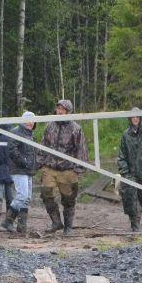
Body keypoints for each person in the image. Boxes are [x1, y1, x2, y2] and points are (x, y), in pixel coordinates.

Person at [39, 98, 88, 235]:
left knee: (68, 199)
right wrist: (39, 162)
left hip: (68, 169)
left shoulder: (76, 128)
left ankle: (68, 227)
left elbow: (81, 148)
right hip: (50, 167)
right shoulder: (49, 126)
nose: (60, 112)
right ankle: (56, 222)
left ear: (68, 111)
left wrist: (79, 168)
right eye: (58, 109)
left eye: (63, 109)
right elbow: (43, 145)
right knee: (45, 192)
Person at [117, 108, 142, 231]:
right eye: (133, 116)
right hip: (131, 174)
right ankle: (134, 224)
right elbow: (121, 156)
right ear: (130, 118)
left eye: (137, 116)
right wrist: (125, 173)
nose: (135, 119)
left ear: (141, 118)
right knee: (130, 198)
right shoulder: (125, 135)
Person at [3, 111, 37, 234]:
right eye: (28, 119)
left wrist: (32, 164)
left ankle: (22, 226)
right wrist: (24, 161)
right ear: (22, 121)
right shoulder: (16, 132)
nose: (30, 122)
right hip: (19, 169)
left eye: (32, 120)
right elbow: (12, 150)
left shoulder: (30, 135)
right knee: (22, 196)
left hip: (28, 170)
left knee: (27, 198)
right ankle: (8, 221)